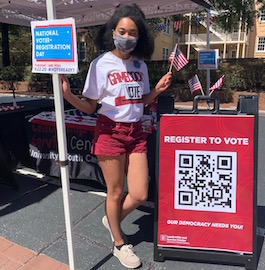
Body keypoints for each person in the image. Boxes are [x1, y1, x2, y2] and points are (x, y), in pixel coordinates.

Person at [60, 3, 172, 269]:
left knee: (141, 194)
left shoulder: (141, 67)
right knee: (116, 192)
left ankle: (112, 219)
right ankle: (119, 243)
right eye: (122, 31)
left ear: (139, 36)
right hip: (110, 131)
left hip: (136, 131)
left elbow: (140, 100)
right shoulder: (101, 64)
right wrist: (67, 94)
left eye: (132, 33)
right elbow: (90, 106)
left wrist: (156, 90)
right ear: (112, 32)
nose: (126, 37)